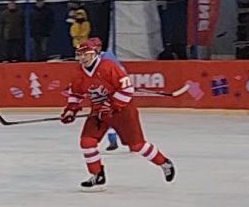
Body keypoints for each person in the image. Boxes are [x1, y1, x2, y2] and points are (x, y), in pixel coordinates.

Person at [62, 37, 174, 189]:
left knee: (137, 146)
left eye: (84, 54)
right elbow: (76, 93)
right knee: (87, 142)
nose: (81, 58)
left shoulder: (108, 67)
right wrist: (71, 109)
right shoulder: (78, 73)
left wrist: (110, 105)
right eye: (79, 54)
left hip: (123, 110)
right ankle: (97, 174)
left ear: (93, 54)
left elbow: (127, 90)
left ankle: (164, 162)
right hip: (99, 111)